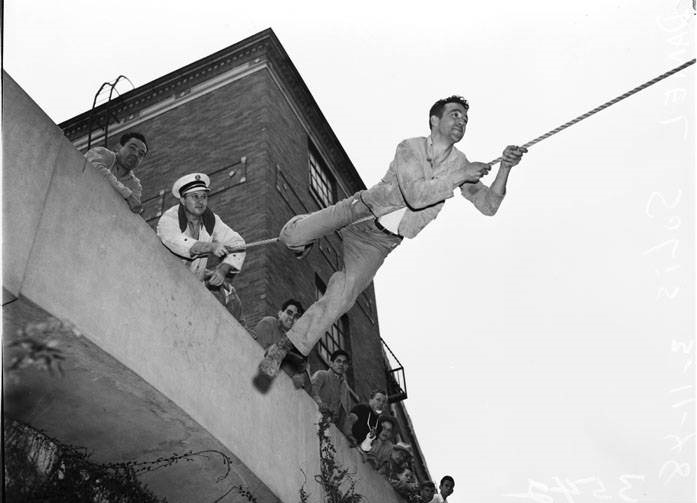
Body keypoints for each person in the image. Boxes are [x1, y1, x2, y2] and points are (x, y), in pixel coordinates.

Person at [259, 95, 527, 377]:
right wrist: (459, 177)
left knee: (344, 295)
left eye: (465, 119)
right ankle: (305, 235)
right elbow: (415, 196)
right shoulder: (410, 147)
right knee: (291, 238)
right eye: (455, 114)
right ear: (435, 120)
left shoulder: (460, 165)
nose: (462, 121)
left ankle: (285, 346)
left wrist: (505, 168)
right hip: (360, 209)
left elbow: (489, 206)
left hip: (377, 242)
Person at [157, 173, 246, 321]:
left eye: (204, 196)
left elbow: (238, 244)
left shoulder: (212, 220)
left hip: (192, 293)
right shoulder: (168, 219)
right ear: (183, 200)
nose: (200, 201)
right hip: (165, 285)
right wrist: (211, 247)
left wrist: (222, 270)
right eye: (194, 196)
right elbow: (178, 243)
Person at [84, 132, 148, 214]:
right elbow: (96, 169)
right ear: (119, 147)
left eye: (141, 154)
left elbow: (133, 208)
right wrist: (127, 195)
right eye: (132, 148)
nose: (136, 154)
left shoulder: (135, 185)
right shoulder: (102, 153)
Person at [254, 299, 310, 390]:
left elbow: (303, 380)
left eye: (296, 317)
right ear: (280, 313)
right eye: (289, 312)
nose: (291, 318)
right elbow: (259, 350)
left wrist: (301, 377)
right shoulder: (270, 322)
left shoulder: (298, 346)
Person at [311, 349, 351, 422]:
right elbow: (312, 392)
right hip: (314, 416)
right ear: (331, 363)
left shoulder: (345, 389)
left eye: (344, 362)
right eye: (338, 361)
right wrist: (320, 404)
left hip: (332, 427)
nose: (341, 364)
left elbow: (346, 412)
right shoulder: (321, 375)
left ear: (347, 367)